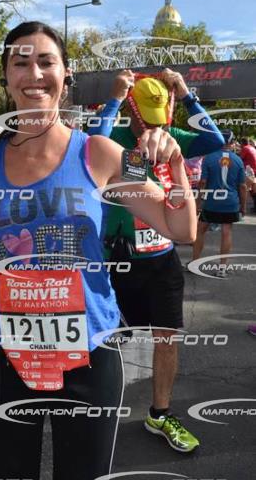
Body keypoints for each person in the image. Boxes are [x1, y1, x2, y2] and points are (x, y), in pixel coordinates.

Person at [0, 21, 196, 480]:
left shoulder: (102, 152)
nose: (34, 72)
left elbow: (180, 226)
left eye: (46, 61)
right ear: (7, 78)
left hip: (89, 352)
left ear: (66, 74)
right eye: (20, 62)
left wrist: (173, 161)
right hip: (4, 350)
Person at [88, 70, 224, 453]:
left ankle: (159, 414)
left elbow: (215, 139)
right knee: (109, 340)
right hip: (118, 256)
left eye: (158, 119)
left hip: (162, 256)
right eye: (146, 118)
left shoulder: (172, 136)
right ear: (131, 111)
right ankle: (100, 411)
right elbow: (91, 139)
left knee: (166, 339)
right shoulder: (114, 140)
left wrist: (185, 94)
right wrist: (114, 98)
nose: (153, 126)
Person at [191, 130, 247, 278]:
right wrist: (243, 206)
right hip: (230, 203)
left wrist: (198, 202)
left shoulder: (208, 158)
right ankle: (222, 268)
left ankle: (194, 263)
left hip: (211, 202)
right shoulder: (238, 160)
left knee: (200, 230)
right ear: (231, 142)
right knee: (226, 232)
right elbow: (242, 186)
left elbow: (202, 182)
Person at [240, 138, 256, 212]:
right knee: (253, 190)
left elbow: (239, 159)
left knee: (244, 188)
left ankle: (242, 207)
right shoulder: (252, 148)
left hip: (250, 170)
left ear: (242, 143)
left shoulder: (245, 148)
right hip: (253, 170)